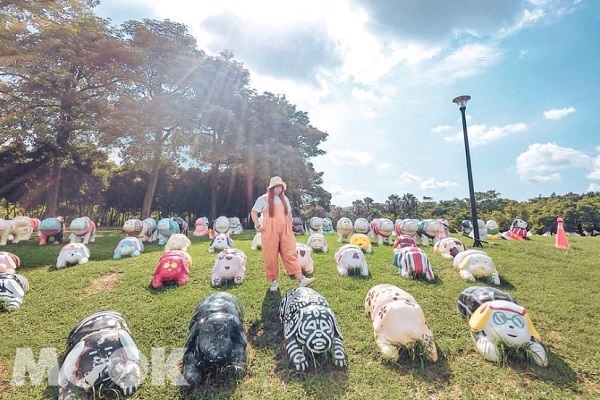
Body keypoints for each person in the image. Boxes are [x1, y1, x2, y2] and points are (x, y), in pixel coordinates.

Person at [250, 176, 316, 292]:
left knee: (290, 253)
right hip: (269, 231)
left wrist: (289, 227)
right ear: (271, 188)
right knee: (270, 256)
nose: (279, 189)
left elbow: (289, 214)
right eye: (276, 187)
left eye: (280, 187)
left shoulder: (284, 199)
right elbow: (253, 212)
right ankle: (273, 281)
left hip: (285, 230)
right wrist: (258, 226)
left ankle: (301, 280)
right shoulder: (263, 199)